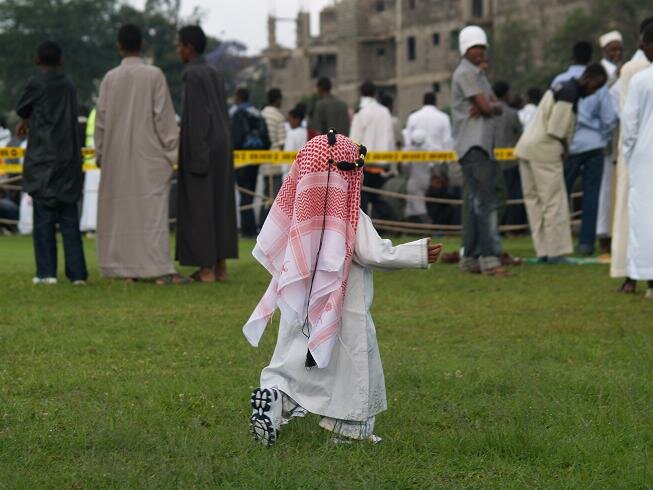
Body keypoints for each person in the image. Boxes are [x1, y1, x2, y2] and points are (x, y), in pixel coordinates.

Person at [242, 132, 442, 445]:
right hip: (343, 316)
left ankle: (273, 398)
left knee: (295, 363)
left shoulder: (299, 211)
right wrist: (416, 253)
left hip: (301, 310)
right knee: (355, 369)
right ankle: (349, 430)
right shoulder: (350, 218)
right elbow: (374, 253)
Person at [95, 25, 185, 285]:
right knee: (152, 214)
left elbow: (100, 121)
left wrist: (101, 154)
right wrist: (173, 154)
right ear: (142, 45)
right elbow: (165, 118)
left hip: (117, 157)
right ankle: (157, 269)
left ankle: (125, 269)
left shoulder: (109, 78)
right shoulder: (153, 75)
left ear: (119, 46)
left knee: (122, 213)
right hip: (151, 158)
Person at [515, 64, 608, 264]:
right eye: (595, 86)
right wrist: (566, 148)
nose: (594, 92)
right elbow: (556, 129)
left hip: (526, 146)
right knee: (553, 201)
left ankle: (543, 251)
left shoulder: (560, 85)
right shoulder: (571, 93)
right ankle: (556, 253)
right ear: (588, 78)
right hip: (545, 149)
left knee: (535, 202)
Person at [15, 41, 87, 285]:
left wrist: (26, 119)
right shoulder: (68, 85)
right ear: (61, 60)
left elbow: (22, 106)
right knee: (69, 219)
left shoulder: (37, 83)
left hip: (44, 158)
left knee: (44, 219)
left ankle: (46, 273)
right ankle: (77, 275)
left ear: (37, 61)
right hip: (68, 157)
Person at [176, 25, 239, 282]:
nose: (177, 50)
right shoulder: (214, 72)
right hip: (222, 143)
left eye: (179, 45)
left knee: (200, 206)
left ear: (189, 48)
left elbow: (198, 117)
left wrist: (197, 153)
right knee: (220, 205)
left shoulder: (192, 74)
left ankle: (206, 269)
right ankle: (220, 266)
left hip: (202, 144)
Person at [451, 25, 509, 276]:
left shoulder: (477, 74)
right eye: (475, 48)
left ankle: (470, 259)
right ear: (465, 49)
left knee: (477, 204)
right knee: (485, 202)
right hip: (473, 144)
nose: (480, 52)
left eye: (482, 48)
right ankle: (490, 258)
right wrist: (489, 106)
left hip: (480, 144)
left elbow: (494, 105)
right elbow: (489, 106)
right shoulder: (466, 74)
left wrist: (489, 105)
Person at [552, 41, 618, 256]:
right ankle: (586, 244)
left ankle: (557, 243)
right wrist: (601, 135)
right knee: (591, 196)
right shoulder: (598, 81)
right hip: (594, 145)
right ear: (591, 59)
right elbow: (610, 118)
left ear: (572, 56)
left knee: (561, 194)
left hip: (567, 147)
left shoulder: (560, 80)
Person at [611, 19, 653, 294]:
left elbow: (630, 124)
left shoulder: (640, 79)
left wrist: (630, 155)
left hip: (643, 158)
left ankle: (641, 277)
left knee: (642, 219)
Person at [403, 92, 452, 222]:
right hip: (437, 166)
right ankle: (436, 223)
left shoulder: (413, 117)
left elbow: (408, 143)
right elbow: (447, 143)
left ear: (423, 101)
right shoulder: (444, 117)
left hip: (416, 164)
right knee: (437, 199)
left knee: (416, 198)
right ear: (435, 102)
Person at [350, 80, 396, 220]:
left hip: (365, 163)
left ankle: (367, 229)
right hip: (382, 163)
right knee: (374, 197)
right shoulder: (385, 111)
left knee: (363, 198)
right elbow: (390, 137)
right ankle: (393, 220)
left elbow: (354, 141)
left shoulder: (361, 112)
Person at [596, 31, 624, 254]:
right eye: (612, 49)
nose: (616, 53)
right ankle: (602, 234)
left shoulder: (625, 69)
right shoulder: (603, 71)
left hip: (621, 135)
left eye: (618, 49)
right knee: (605, 187)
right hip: (606, 137)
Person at [231, 86, 270, 237]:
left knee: (244, 193)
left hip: (241, 158)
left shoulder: (237, 113)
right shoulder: (257, 113)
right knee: (251, 192)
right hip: (256, 157)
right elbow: (266, 138)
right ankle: (251, 226)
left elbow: (234, 137)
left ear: (238, 98)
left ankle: (248, 229)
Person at [492, 81, 525, 229]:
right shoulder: (512, 113)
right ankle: (513, 228)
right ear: (506, 94)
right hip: (511, 162)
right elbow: (520, 135)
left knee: (496, 196)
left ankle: (497, 226)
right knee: (513, 195)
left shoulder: (488, 112)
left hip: (492, 161)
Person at [259, 88, 287, 224]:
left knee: (264, 195)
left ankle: (261, 222)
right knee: (275, 196)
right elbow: (282, 143)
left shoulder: (262, 114)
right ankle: (271, 225)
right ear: (277, 100)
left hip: (263, 159)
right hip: (275, 162)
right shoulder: (279, 117)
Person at [79, 107, 99, 234]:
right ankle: (93, 225)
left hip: (90, 161)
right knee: (95, 195)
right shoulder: (102, 111)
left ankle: (88, 224)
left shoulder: (93, 112)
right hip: (98, 162)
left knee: (90, 195)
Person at [282, 107, 307, 178]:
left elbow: (288, 153)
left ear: (297, 119)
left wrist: (284, 171)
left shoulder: (291, 134)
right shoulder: (306, 132)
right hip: (303, 171)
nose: (289, 122)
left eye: (290, 119)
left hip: (290, 172)